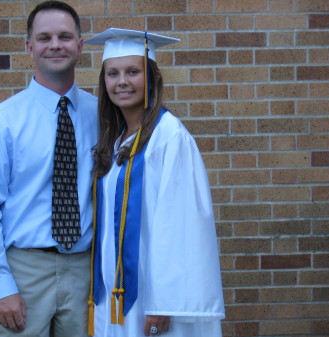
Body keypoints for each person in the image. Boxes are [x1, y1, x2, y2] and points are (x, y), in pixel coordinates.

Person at [0, 1, 97, 336]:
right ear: (29, 47)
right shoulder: (2, 122)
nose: (55, 45)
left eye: (65, 36)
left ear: (80, 46)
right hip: (23, 270)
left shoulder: (102, 116)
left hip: (86, 270)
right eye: (45, 37)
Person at [84, 28, 225, 337]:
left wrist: (164, 303)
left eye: (133, 72)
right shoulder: (118, 139)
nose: (122, 81)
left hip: (154, 300)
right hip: (116, 294)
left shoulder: (169, 138)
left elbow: (181, 224)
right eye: (113, 73)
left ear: (152, 78)